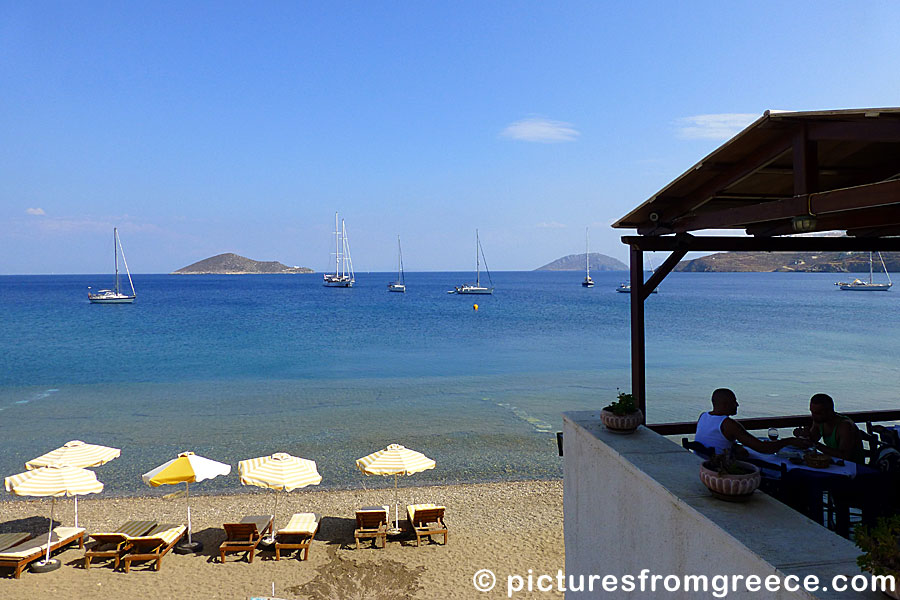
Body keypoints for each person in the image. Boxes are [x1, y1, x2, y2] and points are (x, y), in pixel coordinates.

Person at [695, 388, 809, 456]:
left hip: (704, 465)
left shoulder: (703, 416)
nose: (737, 405)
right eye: (734, 402)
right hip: (721, 470)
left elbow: (715, 440)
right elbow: (763, 448)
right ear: (725, 404)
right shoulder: (728, 424)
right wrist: (789, 441)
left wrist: (734, 446)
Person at [792, 393, 865, 464]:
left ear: (830, 411)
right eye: (812, 412)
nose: (813, 416)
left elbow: (845, 456)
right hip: (836, 464)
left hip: (853, 468)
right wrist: (803, 435)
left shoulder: (845, 426)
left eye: (818, 413)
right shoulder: (819, 421)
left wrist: (815, 444)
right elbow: (812, 439)